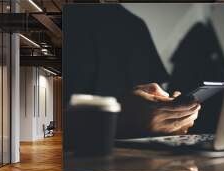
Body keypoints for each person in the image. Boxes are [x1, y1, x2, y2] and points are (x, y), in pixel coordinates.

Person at [64, 4, 201, 139]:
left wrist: (170, 118)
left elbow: (155, 94)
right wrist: (116, 120)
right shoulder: (69, 17)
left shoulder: (136, 26)